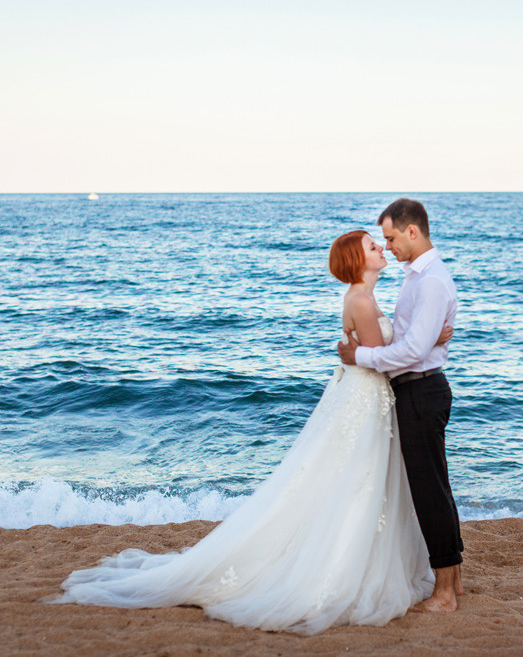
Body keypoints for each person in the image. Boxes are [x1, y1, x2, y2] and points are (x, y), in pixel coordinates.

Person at [46, 229, 452, 635]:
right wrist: (424, 340)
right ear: (356, 260)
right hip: (365, 402)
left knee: (353, 482)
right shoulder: (361, 301)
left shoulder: (365, 297)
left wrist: (424, 336)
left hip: (368, 401)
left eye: (379, 243)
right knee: (354, 483)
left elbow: (383, 351)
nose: (381, 249)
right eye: (372, 246)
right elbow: (377, 359)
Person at [337, 198, 463, 613]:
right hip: (418, 388)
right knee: (436, 488)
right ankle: (453, 583)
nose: (387, 246)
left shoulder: (429, 281)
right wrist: (431, 341)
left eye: (390, 238)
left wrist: (361, 358)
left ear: (413, 231)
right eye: (381, 241)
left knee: (429, 492)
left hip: (422, 390)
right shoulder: (418, 277)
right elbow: (414, 339)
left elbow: (409, 350)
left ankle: (445, 593)